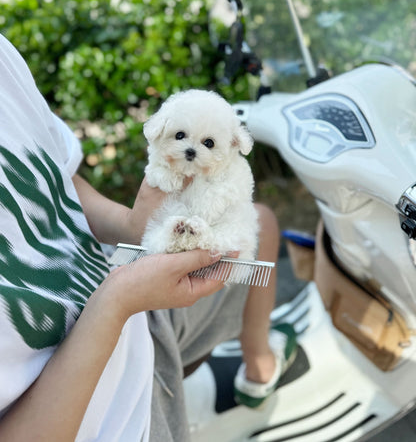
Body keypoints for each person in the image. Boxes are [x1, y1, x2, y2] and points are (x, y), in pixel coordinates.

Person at [0, 33, 296, 441]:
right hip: (117, 418)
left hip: (122, 290)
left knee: (261, 223)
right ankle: (260, 368)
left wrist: (128, 224)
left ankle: (259, 361)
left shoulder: (4, 59)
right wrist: (117, 301)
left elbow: (52, 176)